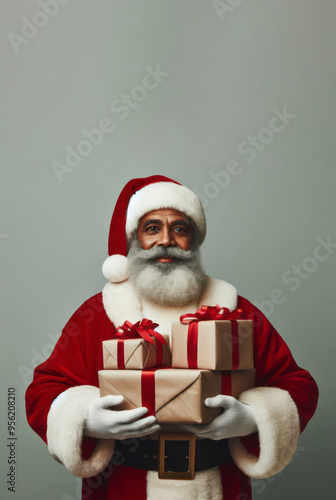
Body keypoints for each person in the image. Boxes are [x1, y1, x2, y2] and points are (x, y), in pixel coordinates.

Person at [25, 175, 318, 500]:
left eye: (179, 228)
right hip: (125, 486)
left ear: (194, 239)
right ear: (134, 239)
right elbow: (42, 393)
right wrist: (85, 419)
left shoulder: (235, 311)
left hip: (216, 487)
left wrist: (250, 418)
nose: (166, 240)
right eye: (152, 228)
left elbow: (298, 386)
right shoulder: (99, 313)